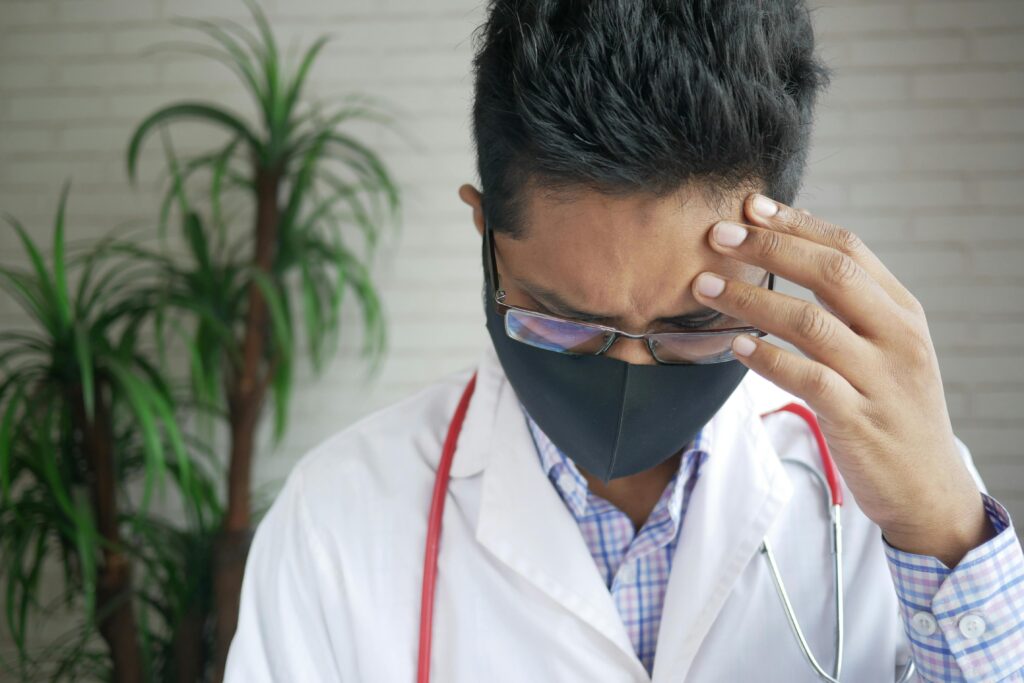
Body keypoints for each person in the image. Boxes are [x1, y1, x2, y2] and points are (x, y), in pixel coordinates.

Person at [224, 1, 1024, 680]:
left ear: (778, 259)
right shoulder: (335, 519)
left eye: (696, 324)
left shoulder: (903, 494)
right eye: (567, 320)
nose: (633, 372)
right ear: (486, 230)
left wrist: (947, 539)